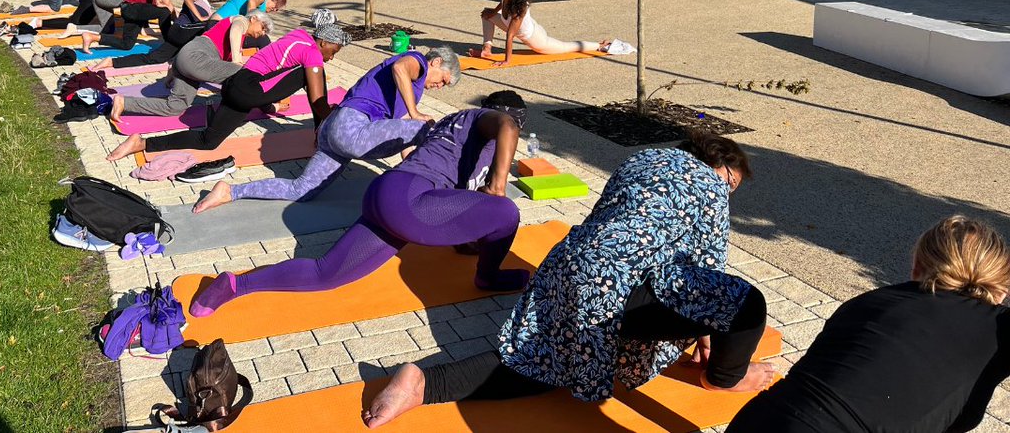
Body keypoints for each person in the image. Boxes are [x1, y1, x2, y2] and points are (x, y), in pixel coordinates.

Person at [363, 131, 773, 429]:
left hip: (568, 269)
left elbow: (617, 227)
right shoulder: (710, 184)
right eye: (730, 183)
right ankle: (725, 378)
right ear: (718, 167)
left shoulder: (641, 161)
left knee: (545, 359)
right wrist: (710, 332)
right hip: (618, 286)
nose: (728, 192)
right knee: (748, 304)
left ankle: (424, 383)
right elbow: (709, 271)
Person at [185, 90, 533, 319]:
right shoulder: (487, 119)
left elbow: (450, 203)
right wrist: (498, 185)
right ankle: (487, 277)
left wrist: (469, 237)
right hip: (408, 202)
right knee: (505, 212)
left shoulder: (453, 127)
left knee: (327, 273)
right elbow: (505, 125)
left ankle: (234, 285)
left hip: (387, 196)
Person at [728, 215, 1010, 433]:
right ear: (1002, 289)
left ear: (916, 268)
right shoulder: (998, 328)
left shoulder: (869, 302)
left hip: (759, 421)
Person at [192, 46, 463, 211]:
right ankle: (458, 180)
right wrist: (415, 114)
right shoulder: (415, 60)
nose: (439, 86)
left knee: (302, 190)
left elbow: (404, 138)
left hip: (332, 134)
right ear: (436, 63)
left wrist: (411, 169)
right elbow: (401, 70)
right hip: (350, 128)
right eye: (443, 80)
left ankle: (230, 191)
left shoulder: (411, 92)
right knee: (429, 125)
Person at [106, 23, 351, 161]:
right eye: (334, 50)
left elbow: (273, 73)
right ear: (322, 42)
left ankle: (141, 143)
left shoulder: (297, 35)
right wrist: (334, 120)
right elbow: (318, 101)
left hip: (237, 86)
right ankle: (322, 135)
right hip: (248, 91)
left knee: (209, 141)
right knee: (312, 76)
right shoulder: (312, 53)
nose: (332, 56)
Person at [107, 11, 273, 121]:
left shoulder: (242, 36)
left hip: (187, 60)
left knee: (175, 107)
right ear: (254, 19)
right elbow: (236, 29)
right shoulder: (241, 20)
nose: (262, 33)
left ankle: (124, 103)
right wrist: (237, 59)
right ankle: (267, 105)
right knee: (245, 74)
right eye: (263, 28)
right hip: (196, 56)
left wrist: (174, 70)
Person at [471, 0, 618, 67]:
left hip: (536, 39)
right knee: (486, 15)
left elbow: (510, 36)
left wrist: (507, 60)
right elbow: (502, 3)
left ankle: (599, 45)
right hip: (514, 27)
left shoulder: (519, 6)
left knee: (566, 47)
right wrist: (494, 11)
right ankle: (487, 50)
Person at [88, 0, 222, 71]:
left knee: (154, 58)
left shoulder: (208, 6)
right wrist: (200, 18)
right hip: (182, 30)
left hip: (181, 36)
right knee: (213, 24)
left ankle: (111, 62)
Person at [208, 0, 286, 21]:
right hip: (218, 23)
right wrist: (251, 20)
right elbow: (252, 1)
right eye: (276, 6)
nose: (275, 10)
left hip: (221, 22)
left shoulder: (260, 0)